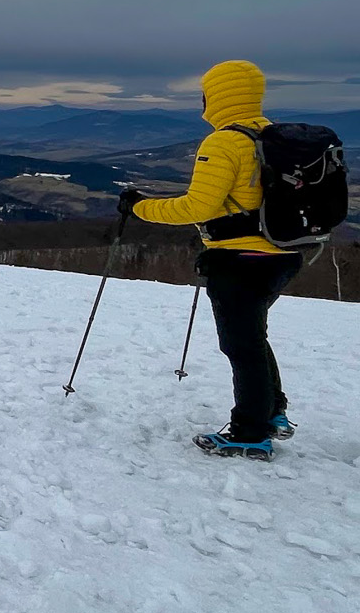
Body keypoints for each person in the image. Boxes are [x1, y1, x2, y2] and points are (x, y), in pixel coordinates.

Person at [116, 60, 300, 459]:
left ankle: (250, 433)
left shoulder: (223, 143)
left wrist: (140, 208)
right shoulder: (273, 137)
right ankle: (272, 413)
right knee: (252, 337)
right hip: (284, 254)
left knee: (241, 345)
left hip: (240, 260)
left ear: (215, 95)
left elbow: (197, 207)